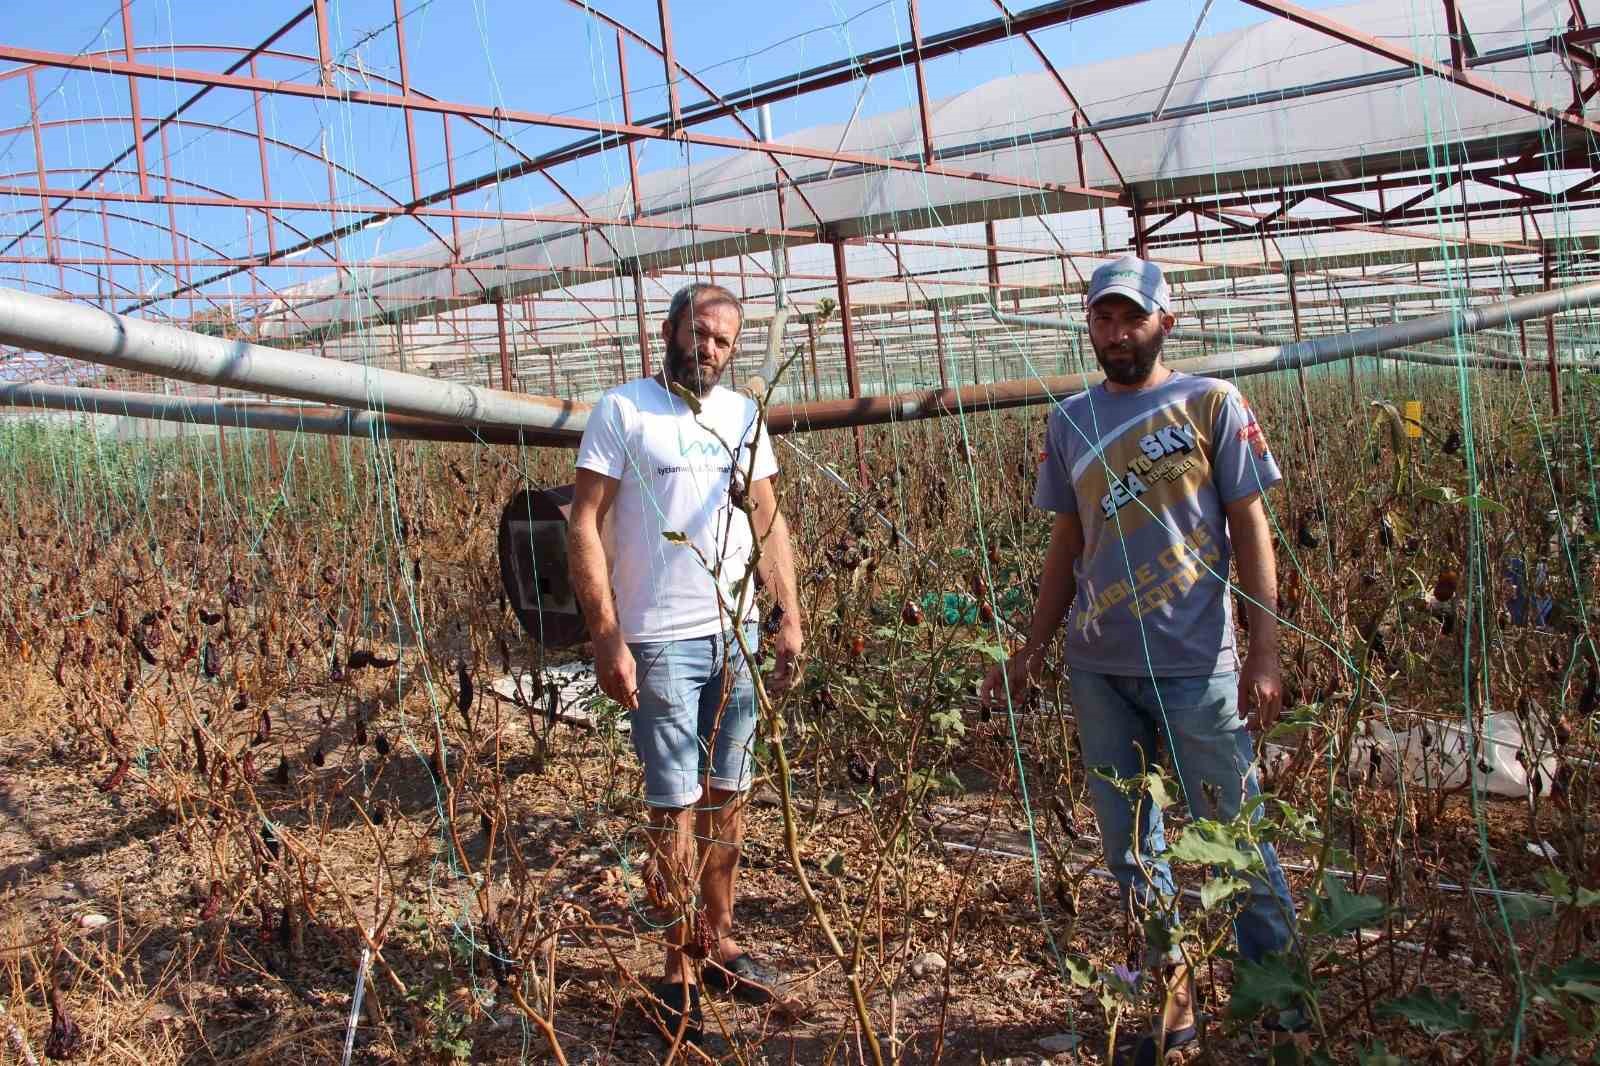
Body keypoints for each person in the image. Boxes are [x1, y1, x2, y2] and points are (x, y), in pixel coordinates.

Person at [979, 255, 1298, 1063]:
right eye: (1103, 319)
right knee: (1129, 845)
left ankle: (1281, 996)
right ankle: (1170, 998)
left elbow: (1249, 526)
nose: (1117, 334)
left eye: (1132, 318)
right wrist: (1032, 649)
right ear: (1089, 326)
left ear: (1166, 321)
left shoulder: (1211, 404)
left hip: (1197, 662)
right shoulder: (1070, 420)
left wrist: (1265, 649)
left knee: (1234, 830)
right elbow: (1067, 542)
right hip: (1099, 665)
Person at [568, 282, 804, 1044]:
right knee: (672, 806)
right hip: (660, 640)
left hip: (733, 634)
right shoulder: (624, 410)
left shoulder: (741, 415)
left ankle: (720, 940)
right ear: (668, 330)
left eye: (723, 341)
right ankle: (677, 971)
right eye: (698, 332)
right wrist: (607, 635)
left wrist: (789, 613)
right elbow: (583, 522)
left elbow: (767, 517)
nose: (707, 349)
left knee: (726, 793)